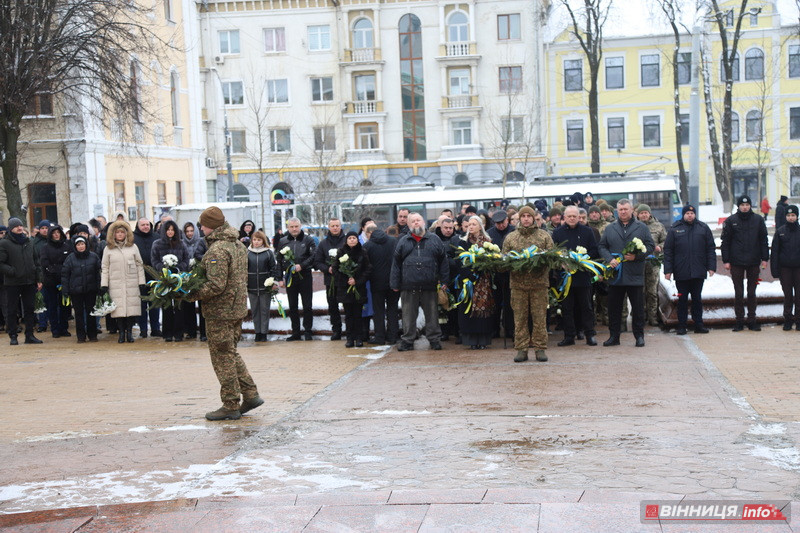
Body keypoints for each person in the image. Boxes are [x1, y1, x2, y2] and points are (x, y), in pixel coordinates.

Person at [186, 206, 263, 421]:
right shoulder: (236, 244)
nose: (201, 229)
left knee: (222, 357)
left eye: (203, 225)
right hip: (235, 308)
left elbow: (216, 285)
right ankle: (250, 394)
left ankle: (230, 404)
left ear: (211, 226)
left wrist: (189, 293)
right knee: (230, 353)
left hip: (220, 312)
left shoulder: (218, 250)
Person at [598, 199, 655, 348]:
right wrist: (610, 259)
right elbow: (602, 246)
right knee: (614, 309)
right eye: (620, 209)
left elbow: (650, 245)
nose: (623, 212)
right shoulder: (610, 228)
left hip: (634, 274)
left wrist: (637, 256)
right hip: (616, 275)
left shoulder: (641, 227)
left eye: (625, 209)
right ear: (617, 211)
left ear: (631, 210)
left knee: (638, 308)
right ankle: (614, 336)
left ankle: (639, 336)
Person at [390, 212, 449, 351]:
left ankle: (434, 340)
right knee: (408, 316)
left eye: (418, 220)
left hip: (430, 285)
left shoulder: (434, 239)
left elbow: (443, 262)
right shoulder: (403, 241)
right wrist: (395, 283)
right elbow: (396, 264)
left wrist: (445, 280)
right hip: (408, 286)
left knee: (432, 315)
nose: (416, 222)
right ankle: (407, 341)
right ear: (409, 224)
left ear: (423, 222)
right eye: (413, 221)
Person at [502, 206, 554, 363]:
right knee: (520, 319)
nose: (526, 219)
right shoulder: (511, 237)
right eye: (523, 216)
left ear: (533, 218)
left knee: (539, 318)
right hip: (518, 286)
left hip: (539, 285)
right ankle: (521, 349)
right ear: (519, 218)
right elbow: (504, 260)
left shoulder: (544, 236)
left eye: (529, 216)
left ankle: (540, 348)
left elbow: (552, 258)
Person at [664, 205, 716, 335]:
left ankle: (698, 324)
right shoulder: (675, 229)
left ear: (695, 214)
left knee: (697, 299)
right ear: (683, 214)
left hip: (698, 270)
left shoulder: (703, 228)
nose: (690, 215)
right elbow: (668, 251)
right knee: (682, 300)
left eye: (692, 213)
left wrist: (711, 267)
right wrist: (668, 270)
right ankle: (682, 325)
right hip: (681, 271)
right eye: (687, 213)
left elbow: (710, 248)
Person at [721, 195, 769, 331]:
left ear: (750, 206)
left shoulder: (758, 220)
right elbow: (725, 242)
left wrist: (765, 258)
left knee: (752, 292)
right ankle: (739, 321)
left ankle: (752, 320)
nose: (745, 207)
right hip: (736, 262)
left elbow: (763, 240)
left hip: (753, 261)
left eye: (747, 205)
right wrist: (726, 260)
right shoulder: (731, 220)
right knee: (739, 292)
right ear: (738, 206)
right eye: (742, 205)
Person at [552, 206, 599, 346]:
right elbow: (553, 253)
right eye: (569, 216)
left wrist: (583, 259)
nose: (572, 218)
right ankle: (569, 336)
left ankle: (589, 334)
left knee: (586, 307)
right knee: (567, 308)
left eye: (574, 216)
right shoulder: (557, 232)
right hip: (565, 277)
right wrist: (561, 263)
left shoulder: (587, 231)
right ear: (564, 217)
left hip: (583, 275)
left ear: (579, 217)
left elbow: (594, 250)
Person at [0, 218, 43, 345]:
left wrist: (39, 278)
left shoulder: (29, 242)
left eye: (20, 225)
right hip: (12, 282)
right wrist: (12, 271)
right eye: (16, 226)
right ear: (10, 228)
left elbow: (36, 261)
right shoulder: (4, 243)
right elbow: (1, 263)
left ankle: (29, 335)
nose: (19, 228)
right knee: (12, 309)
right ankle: (13, 335)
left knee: (29, 309)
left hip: (29, 281)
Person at [101, 220, 145, 343]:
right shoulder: (108, 249)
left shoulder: (133, 247)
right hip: (116, 284)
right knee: (118, 310)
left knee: (131, 310)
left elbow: (139, 264)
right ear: (113, 234)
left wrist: (141, 282)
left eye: (122, 232)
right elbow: (105, 267)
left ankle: (129, 333)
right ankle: (121, 333)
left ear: (126, 234)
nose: (120, 234)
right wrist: (104, 284)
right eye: (117, 232)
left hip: (131, 283)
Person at [456, 216, 496, 349]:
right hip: (468, 281)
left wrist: (480, 270)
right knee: (468, 313)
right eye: (469, 225)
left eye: (474, 224)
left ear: (480, 226)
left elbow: (491, 261)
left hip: (483, 281)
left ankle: (483, 340)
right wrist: (470, 275)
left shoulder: (488, 242)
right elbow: (459, 261)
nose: (471, 227)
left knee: (483, 312)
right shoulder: (463, 242)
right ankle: (472, 340)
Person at [277, 218, 317, 341]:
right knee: (292, 306)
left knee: (307, 305)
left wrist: (302, 265)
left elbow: (314, 256)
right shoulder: (283, 241)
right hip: (290, 277)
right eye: (292, 227)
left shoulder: (308, 240)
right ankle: (296, 332)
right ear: (288, 228)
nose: (294, 229)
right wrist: (279, 278)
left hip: (305, 275)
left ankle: (308, 331)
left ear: (300, 226)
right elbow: (279, 260)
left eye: (296, 226)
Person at [151, 220, 190, 342]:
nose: (170, 232)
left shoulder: (181, 244)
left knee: (179, 306)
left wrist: (178, 268)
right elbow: (154, 260)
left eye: (172, 230)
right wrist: (164, 269)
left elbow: (186, 259)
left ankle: (179, 333)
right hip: (164, 279)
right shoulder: (157, 244)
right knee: (166, 306)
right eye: (168, 230)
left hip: (179, 279)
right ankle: (167, 333)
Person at [332, 231, 372, 348]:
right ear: (346, 240)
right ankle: (350, 338)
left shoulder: (363, 252)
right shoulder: (341, 252)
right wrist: (347, 280)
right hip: (345, 289)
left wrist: (357, 280)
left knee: (358, 314)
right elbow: (335, 269)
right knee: (348, 315)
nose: (352, 240)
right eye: (350, 238)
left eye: (354, 238)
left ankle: (359, 338)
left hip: (359, 288)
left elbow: (368, 269)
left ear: (357, 239)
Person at [61, 236, 101, 343]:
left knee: (91, 313)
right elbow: (65, 275)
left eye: (82, 244)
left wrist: (100, 287)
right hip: (76, 291)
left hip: (91, 290)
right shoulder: (70, 258)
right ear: (75, 246)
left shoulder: (94, 257)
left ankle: (92, 335)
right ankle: (81, 336)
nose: (81, 246)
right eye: (78, 245)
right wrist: (65, 290)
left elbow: (98, 273)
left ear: (86, 244)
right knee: (78, 314)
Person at [313, 218, 345, 340]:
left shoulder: (347, 241)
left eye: (337, 225)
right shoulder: (323, 244)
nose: (335, 228)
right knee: (333, 307)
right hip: (330, 280)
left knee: (348, 306)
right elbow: (317, 262)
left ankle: (351, 330)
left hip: (345, 280)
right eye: (333, 226)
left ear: (340, 226)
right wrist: (327, 269)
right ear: (329, 227)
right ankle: (336, 330)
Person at [636, 204, 667, 327]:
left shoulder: (658, 226)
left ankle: (653, 317)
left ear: (649, 213)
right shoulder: (634, 226)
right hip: (638, 263)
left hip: (653, 263)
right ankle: (641, 315)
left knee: (652, 291)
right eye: (641, 213)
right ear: (638, 214)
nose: (644, 215)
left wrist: (660, 247)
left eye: (646, 212)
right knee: (640, 291)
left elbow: (665, 240)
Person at [770, 205, 800, 330]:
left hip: (798, 269)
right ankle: (788, 320)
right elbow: (775, 252)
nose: (791, 218)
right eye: (788, 215)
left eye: (793, 215)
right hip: (785, 269)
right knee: (788, 295)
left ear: (797, 216)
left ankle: (798, 320)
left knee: (799, 295)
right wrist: (775, 270)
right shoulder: (780, 231)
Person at [247, 230, 280, 342]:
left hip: (265, 286)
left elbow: (273, 268)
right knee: (255, 310)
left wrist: (273, 282)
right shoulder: (247, 253)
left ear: (263, 241)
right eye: (254, 240)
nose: (256, 242)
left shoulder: (268, 253)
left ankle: (264, 333)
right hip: (251, 286)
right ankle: (257, 332)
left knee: (264, 310)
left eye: (259, 240)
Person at [487, 210, 515, 340]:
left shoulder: (514, 231)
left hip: (511, 273)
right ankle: (494, 329)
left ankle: (510, 329)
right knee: (495, 303)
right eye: (498, 224)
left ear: (507, 220)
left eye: (503, 222)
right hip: (495, 274)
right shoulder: (490, 233)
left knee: (510, 303)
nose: (501, 226)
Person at [40, 224, 72, 338]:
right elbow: (44, 263)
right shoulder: (45, 247)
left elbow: (69, 261)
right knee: (52, 305)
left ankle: (64, 328)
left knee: (64, 305)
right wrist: (54, 271)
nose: (56, 235)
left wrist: (64, 272)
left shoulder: (66, 246)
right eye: (54, 233)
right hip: (51, 280)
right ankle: (55, 329)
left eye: (58, 232)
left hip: (64, 280)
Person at [434, 217, 461, 342]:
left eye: (451, 228)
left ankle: (457, 331)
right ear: (441, 227)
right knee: (442, 307)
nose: (448, 230)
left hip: (455, 278)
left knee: (455, 307)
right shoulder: (435, 239)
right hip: (440, 278)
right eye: (446, 228)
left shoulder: (457, 239)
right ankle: (444, 332)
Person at [133, 218, 161, 338]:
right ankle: (143, 329)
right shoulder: (133, 238)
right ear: (138, 226)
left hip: (154, 275)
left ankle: (155, 328)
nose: (145, 227)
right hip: (139, 275)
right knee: (142, 304)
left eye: (147, 225)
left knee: (155, 303)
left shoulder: (156, 237)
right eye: (143, 225)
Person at [182, 221, 202, 339]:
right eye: (187, 231)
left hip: (199, 277)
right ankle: (191, 331)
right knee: (188, 306)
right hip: (186, 278)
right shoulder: (181, 243)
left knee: (201, 304)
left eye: (191, 231)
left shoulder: (201, 242)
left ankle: (204, 332)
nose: (189, 233)